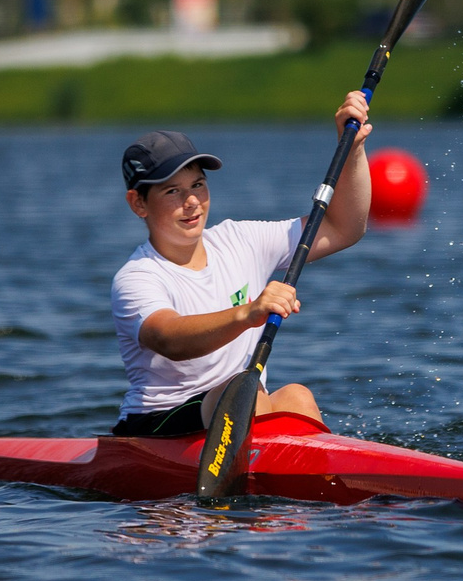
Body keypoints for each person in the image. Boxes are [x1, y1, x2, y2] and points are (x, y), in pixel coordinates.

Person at [108, 95, 372, 437]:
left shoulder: (240, 240)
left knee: (296, 396)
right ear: (138, 203)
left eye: (198, 185)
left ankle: (328, 479)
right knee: (245, 395)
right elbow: (168, 338)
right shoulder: (137, 277)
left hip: (239, 407)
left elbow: (344, 228)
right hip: (158, 423)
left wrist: (351, 149)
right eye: (172, 191)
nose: (191, 202)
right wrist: (248, 314)